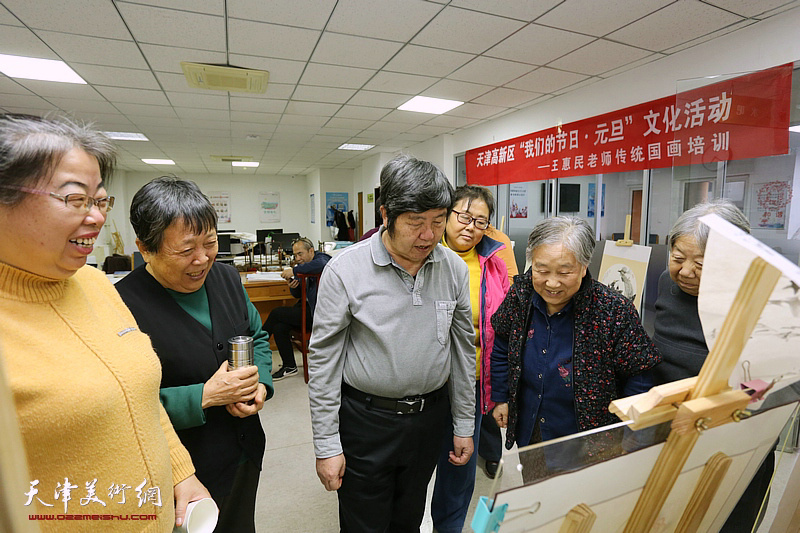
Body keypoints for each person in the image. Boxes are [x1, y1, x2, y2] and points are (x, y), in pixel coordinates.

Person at [0, 115, 209, 531]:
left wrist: (181, 471)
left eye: (99, 200)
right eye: (75, 200)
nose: (96, 217)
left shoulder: (95, 284)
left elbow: (140, 399)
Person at [308, 155, 476, 532]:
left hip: (428, 421)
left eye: (437, 222)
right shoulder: (344, 271)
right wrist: (326, 444)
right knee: (364, 524)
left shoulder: (453, 268)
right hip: (366, 423)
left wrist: (463, 422)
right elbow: (323, 363)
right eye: (416, 224)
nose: (428, 236)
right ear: (386, 215)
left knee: (410, 520)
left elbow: (463, 351)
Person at [115, 176, 273, 533]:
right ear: (145, 248)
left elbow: (257, 337)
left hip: (244, 450)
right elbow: (122, 402)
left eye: (210, 243)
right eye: (186, 250)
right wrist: (202, 397)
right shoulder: (121, 305)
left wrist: (260, 383)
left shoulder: (227, 278)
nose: (202, 259)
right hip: (178, 471)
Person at [490, 216, 660, 474]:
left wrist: (626, 434)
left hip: (589, 441)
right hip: (533, 430)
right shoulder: (521, 295)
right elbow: (503, 344)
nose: (552, 283)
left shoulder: (612, 310)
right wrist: (501, 397)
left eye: (564, 271)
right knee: (538, 499)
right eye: (542, 270)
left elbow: (640, 372)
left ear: (583, 266)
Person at [652, 199, 769, 532]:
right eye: (678, 258)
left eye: (701, 263)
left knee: (725, 517)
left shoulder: (760, 298)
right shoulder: (667, 282)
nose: (686, 272)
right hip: (671, 430)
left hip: (734, 436)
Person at [431, 185, 510, 533]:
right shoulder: (425, 253)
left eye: (481, 221)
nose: (471, 227)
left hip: (472, 382)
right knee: (416, 466)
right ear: (447, 215)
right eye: (464, 216)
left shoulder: (493, 262)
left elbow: (504, 321)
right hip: (428, 381)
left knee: (459, 469)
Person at [267, 237, 331, 380]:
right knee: (279, 327)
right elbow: (298, 294)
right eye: (295, 255)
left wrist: (294, 270)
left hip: (319, 314)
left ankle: (257, 347)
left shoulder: (321, 259)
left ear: (311, 251)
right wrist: (293, 286)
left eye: (300, 254)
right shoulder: (304, 267)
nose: (297, 258)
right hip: (306, 308)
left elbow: (323, 264)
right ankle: (289, 366)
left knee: (276, 313)